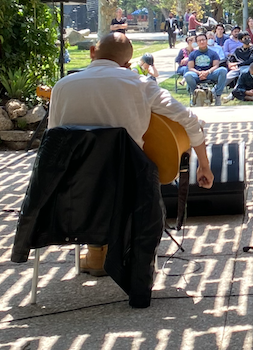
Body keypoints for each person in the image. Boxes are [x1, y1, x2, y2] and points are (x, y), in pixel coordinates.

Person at [48, 31, 213, 275]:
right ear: (127, 64)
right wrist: (204, 166)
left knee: (95, 176)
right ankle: (123, 252)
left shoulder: (62, 86)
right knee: (132, 171)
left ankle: (97, 251)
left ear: (92, 52)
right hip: (128, 185)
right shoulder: (140, 84)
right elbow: (190, 121)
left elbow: (52, 139)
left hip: (69, 188)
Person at [184, 33, 228, 105]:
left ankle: (217, 95)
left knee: (223, 70)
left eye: (203, 40)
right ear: (197, 43)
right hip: (197, 74)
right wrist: (199, 73)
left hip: (210, 73)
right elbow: (190, 67)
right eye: (199, 40)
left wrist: (207, 72)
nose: (202, 42)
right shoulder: (193, 54)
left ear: (206, 40)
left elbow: (216, 66)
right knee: (187, 75)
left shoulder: (213, 53)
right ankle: (195, 94)